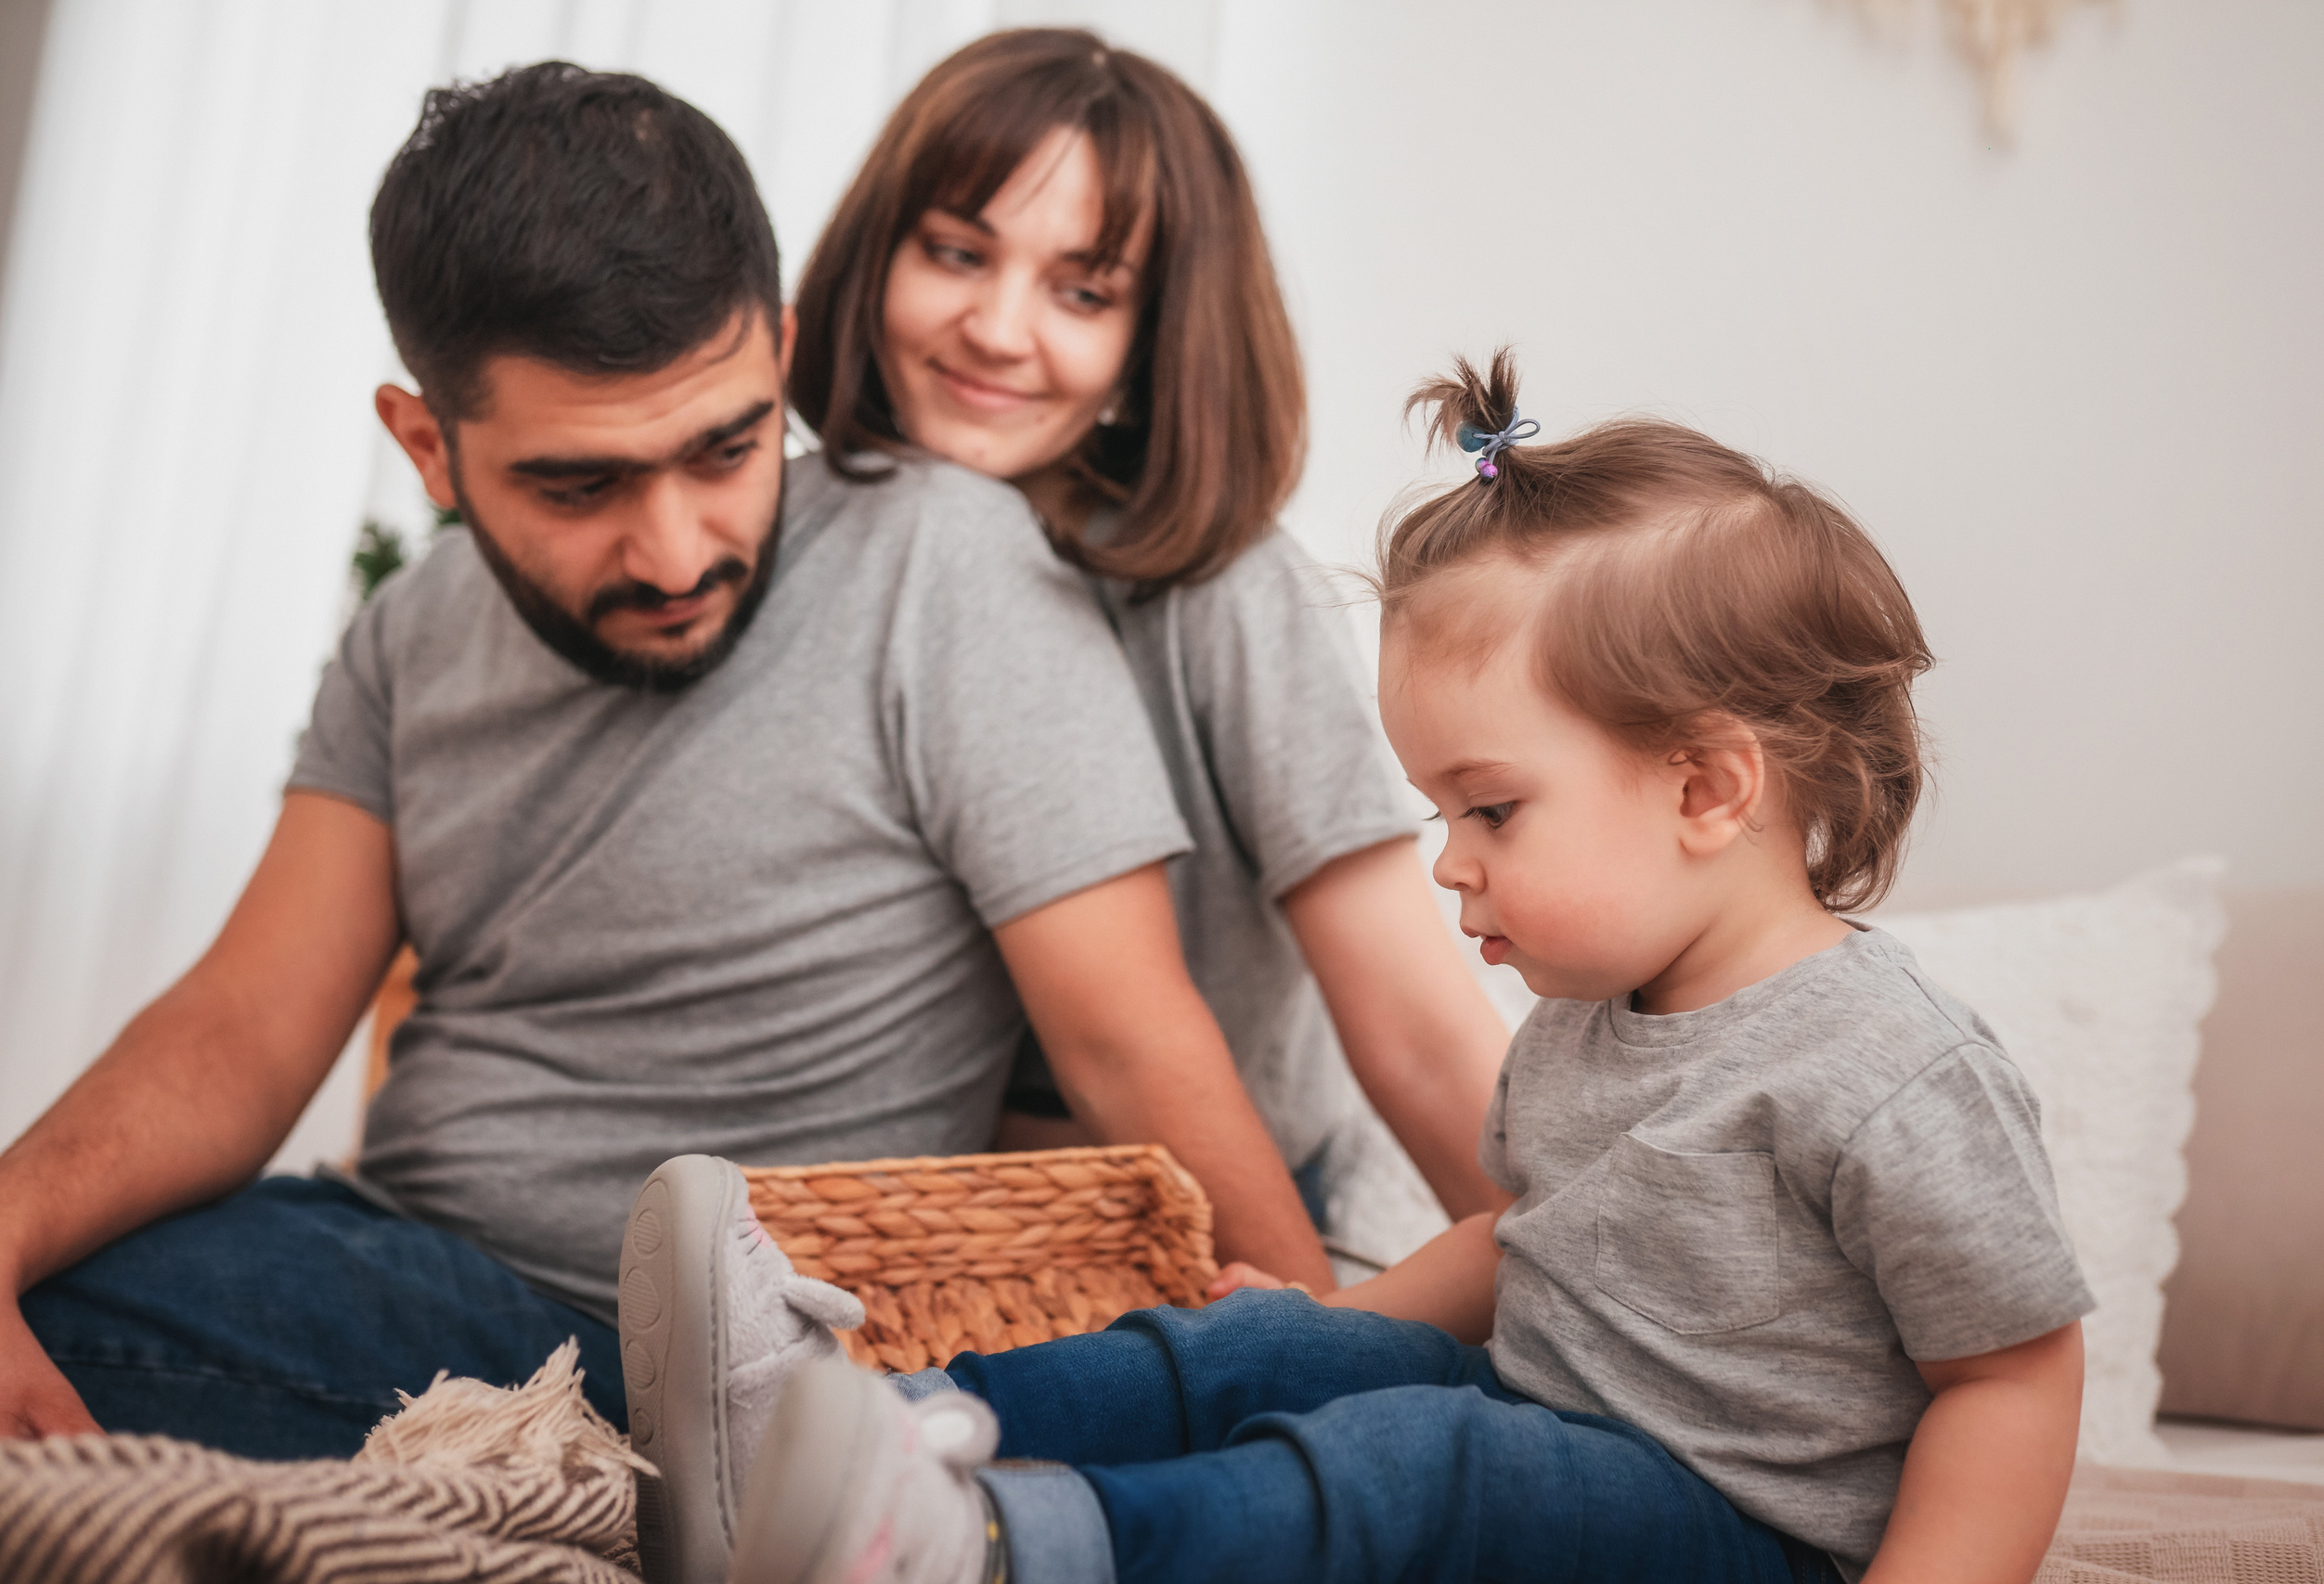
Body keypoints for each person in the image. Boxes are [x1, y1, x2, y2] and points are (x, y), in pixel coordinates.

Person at [0, 62, 1328, 1459]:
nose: (677, 552)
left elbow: (1129, 1033)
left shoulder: (942, 561)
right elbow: (243, 1027)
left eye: (727, 445)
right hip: (388, 1265)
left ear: (782, 350)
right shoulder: (407, 636)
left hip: (667, 1354)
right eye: (579, 485)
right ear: (427, 447)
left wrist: (1327, 1359)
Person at [635, 354, 2097, 1584]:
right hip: (1550, 1433)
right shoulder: (1589, 1020)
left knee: (1422, 1461)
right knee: (1260, 1355)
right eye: (1438, 814)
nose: (1450, 862)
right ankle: (833, 1435)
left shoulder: (1891, 1068)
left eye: (1493, 809)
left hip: (1740, 1533)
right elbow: (1512, 1242)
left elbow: (2012, 1374)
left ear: (1708, 788)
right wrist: (1308, 1331)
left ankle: (1000, 1551)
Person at [788, 29, 1513, 1230]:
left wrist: (1589, 1308)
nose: (998, 329)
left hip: (1212, 1206)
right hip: (891, 1223)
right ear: (877, 260)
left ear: (1154, 337)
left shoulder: (1224, 592)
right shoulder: (799, 550)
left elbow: (1417, 1031)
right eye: (957, 254)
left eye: (1083, 291)